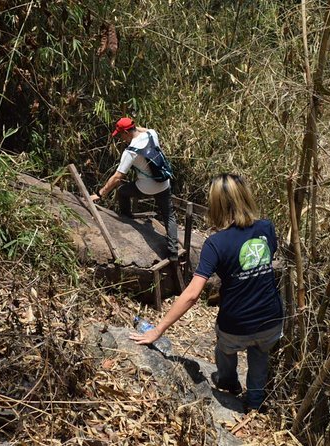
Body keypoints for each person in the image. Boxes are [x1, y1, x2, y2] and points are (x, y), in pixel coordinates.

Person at [129, 173, 284, 412]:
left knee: (225, 347)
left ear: (216, 204)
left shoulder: (216, 243)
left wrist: (158, 330)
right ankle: (254, 403)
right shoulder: (266, 228)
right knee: (260, 355)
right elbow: (259, 268)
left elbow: (192, 294)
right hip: (271, 320)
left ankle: (228, 382)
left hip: (236, 325)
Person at [91, 117, 178, 261]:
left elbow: (117, 177)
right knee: (169, 215)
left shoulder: (130, 151)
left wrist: (100, 194)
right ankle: (173, 252)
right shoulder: (152, 134)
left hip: (146, 187)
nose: (120, 138)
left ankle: (127, 218)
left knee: (122, 191)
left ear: (126, 132)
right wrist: (135, 128)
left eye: (121, 134)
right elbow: (144, 130)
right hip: (163, 183)